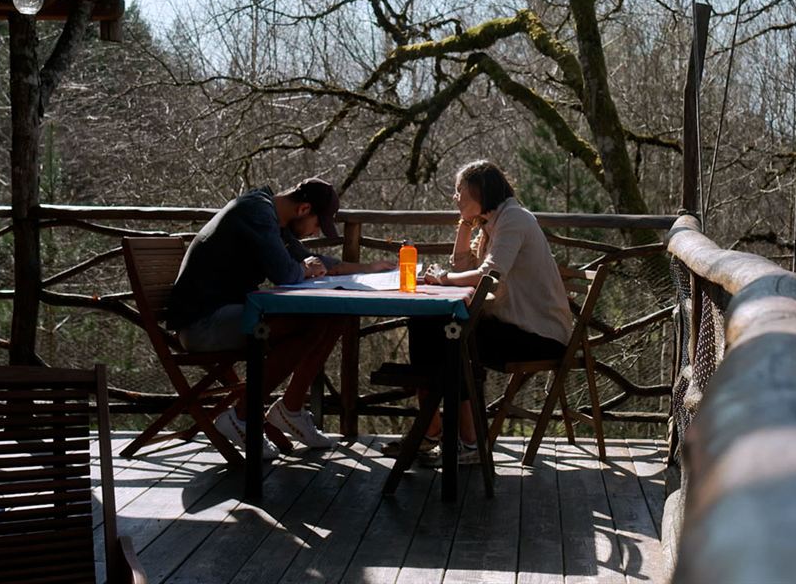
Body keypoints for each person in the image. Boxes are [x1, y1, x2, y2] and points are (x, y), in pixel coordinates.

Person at [168, 178, 394, 459]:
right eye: (316, 224)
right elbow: (287, 273)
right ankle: (242, 416)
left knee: (333, 317)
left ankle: (290, 408)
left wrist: (372, 268)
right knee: (311, 322)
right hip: (204, 324)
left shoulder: (272, 215)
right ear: (304, 208)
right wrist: (302, 269)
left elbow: (310, 261)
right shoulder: (257, 213)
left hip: (231, 315)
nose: (313, 233)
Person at [401, 160, 573, 464]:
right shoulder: (492, 221)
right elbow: (463, 267)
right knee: (426, 324)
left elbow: (488, 275)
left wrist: (441, 280)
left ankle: (462, 440)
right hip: (510, 326)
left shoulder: (514, 219)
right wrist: (466, 223)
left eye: (459, 191)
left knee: (451, 338)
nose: (455, 197)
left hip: (539, 335)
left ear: (479, 190)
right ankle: (436, 430)